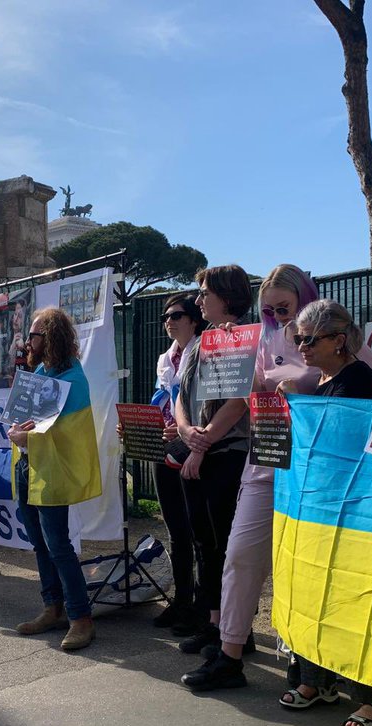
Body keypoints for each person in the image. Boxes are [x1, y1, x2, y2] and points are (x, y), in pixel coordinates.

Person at [180, 263, 319, 686]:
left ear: (305, 298)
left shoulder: (331, 334)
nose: (278, 316)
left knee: (299, 566)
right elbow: (244, 396)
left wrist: (311, 389)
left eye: (285, 307)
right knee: (238, 556)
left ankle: (308, 666)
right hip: (264, 460)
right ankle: (229, 654)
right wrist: (198, 434)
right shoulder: (265, 338)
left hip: (312, 467)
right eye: (270, 309)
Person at [268, 301, 372, 726]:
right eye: (297, 338)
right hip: (318, 508)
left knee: (353, 603)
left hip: (353, 508)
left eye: (308, 339)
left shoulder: (357, 377)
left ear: (338, 340)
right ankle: (314, 680)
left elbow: (343, 438)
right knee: (312, 594)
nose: (300, 346)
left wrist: (301, 406)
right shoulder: (323, 380)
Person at [170, 264, 252, 654]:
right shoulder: (197, 344)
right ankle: (213, 621)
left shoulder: (243, 340)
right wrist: (186, 432)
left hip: (227, 454)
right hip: (196, 452)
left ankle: (237, 630)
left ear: (227, 296)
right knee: (203, 540)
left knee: (224, 543)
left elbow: (237, 402)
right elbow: (179, 396)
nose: (199, 300)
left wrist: (200, 446)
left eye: (205, 293)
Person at [10, 307, 102, 651]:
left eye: (33, 335)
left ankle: (81, 619)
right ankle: (53, 607)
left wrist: (26, 437)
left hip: (51, 470)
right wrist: (17, 430)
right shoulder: (41, 372)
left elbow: (66, 433)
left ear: (50, 338)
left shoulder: (72, 379)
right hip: (29, 467)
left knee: (59, 547)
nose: (27, 341)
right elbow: (31, 422)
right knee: (39, 543)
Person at [146, 292, 206, 630]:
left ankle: (201, 606)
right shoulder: (165, 358)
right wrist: (154, 423)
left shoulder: (207, 351)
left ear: (193, 320)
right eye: (166, 316)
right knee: (175, 529)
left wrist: (183, 430)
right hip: (165, 445)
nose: (169, 321)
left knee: (199, 532)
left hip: (194, 448)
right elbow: (161, 397)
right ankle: (182, 600)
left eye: (177, 315)